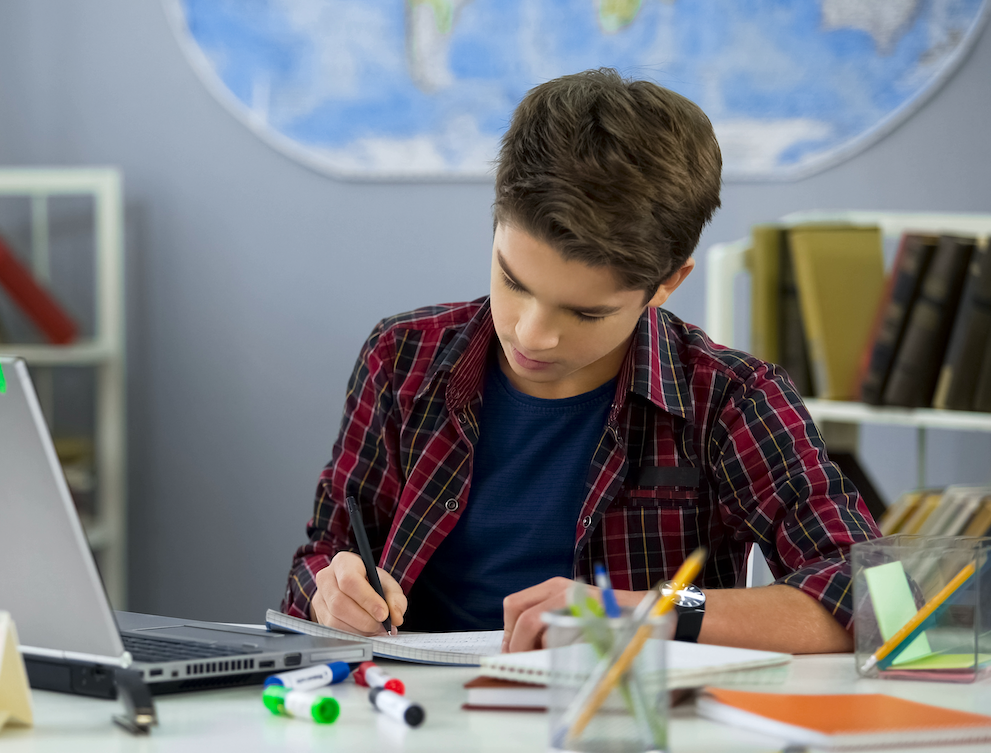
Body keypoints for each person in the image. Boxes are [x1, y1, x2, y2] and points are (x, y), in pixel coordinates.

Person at [279, 69, 880, 655]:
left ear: (667, 282)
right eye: (512, 281)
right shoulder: (401, 357)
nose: (532, 335)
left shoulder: (729, 399)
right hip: (408, 710)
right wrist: (329, 592)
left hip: (620, 724)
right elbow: (322, 553)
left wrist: (643, 610)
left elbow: (869, 595)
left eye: (586, 313)